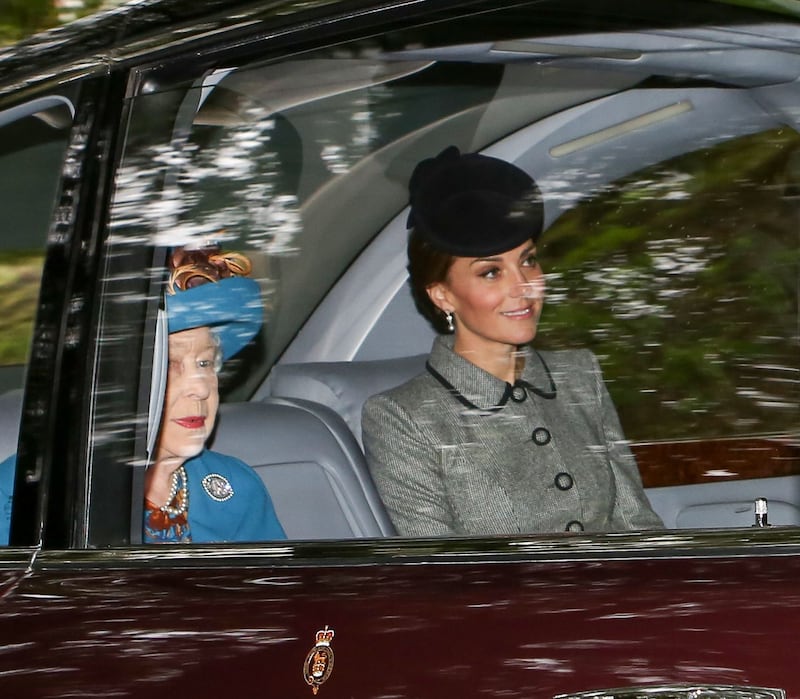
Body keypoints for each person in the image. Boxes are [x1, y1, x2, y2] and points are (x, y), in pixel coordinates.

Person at [361, 146, 663, 537]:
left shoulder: (579, 376)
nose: (524, 287)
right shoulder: (403, 418)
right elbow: (438, 573)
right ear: (442, 295)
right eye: (490, 272)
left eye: (528, 260)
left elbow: (638, 530)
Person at [144, 245, 286, 543]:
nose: (201, 387)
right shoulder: (40, 495)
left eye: (205, 363)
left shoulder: (236, 486)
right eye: (171, 364)